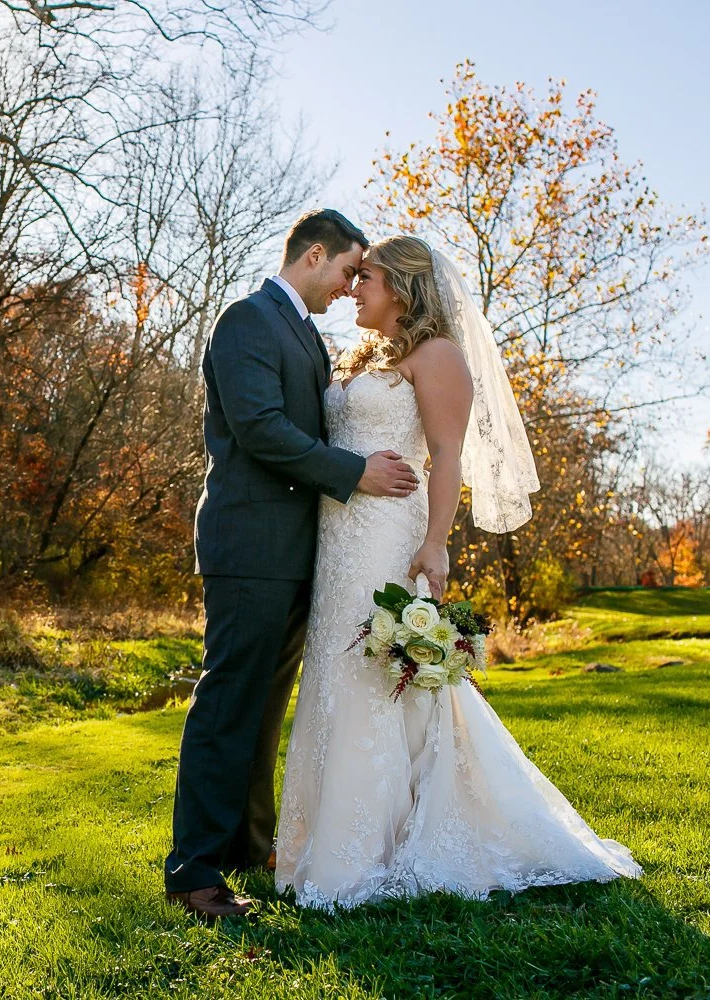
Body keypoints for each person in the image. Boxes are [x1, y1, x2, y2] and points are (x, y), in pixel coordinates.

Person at [273, 235, 641, 909]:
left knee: (378, 677)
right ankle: (320, 843)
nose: (353, 289)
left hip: (389, 537)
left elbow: (447, 456)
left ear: (402, 286)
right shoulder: (361, 356)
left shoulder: (438, 355)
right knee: (335, 672)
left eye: (366, 278)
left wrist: (436, 544)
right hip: (337, 540)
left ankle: (373, 848)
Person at [164, 209, 420, 919]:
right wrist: (355, 473)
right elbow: (260, 429)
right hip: (249, 546)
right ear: (314, 255)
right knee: (228, 706)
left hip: (297, 554)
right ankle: (194, 872)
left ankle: (248, 847)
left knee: (262, 713)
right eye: (347, 271)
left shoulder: (304, 334)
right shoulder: (246, 320)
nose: (349, 287)